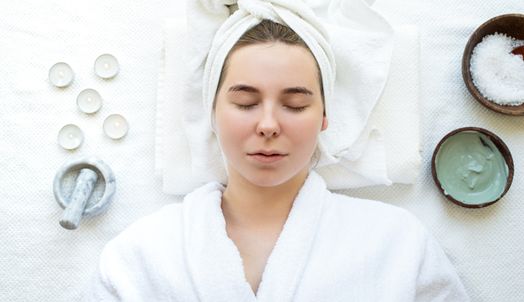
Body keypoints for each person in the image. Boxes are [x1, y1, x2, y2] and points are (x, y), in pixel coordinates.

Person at [83, 19, 470, 301]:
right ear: (213, 113)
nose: (268, 124)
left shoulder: (397, 244)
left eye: (295, 104)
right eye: (246, 103)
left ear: (323, 118)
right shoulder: (139, 255)